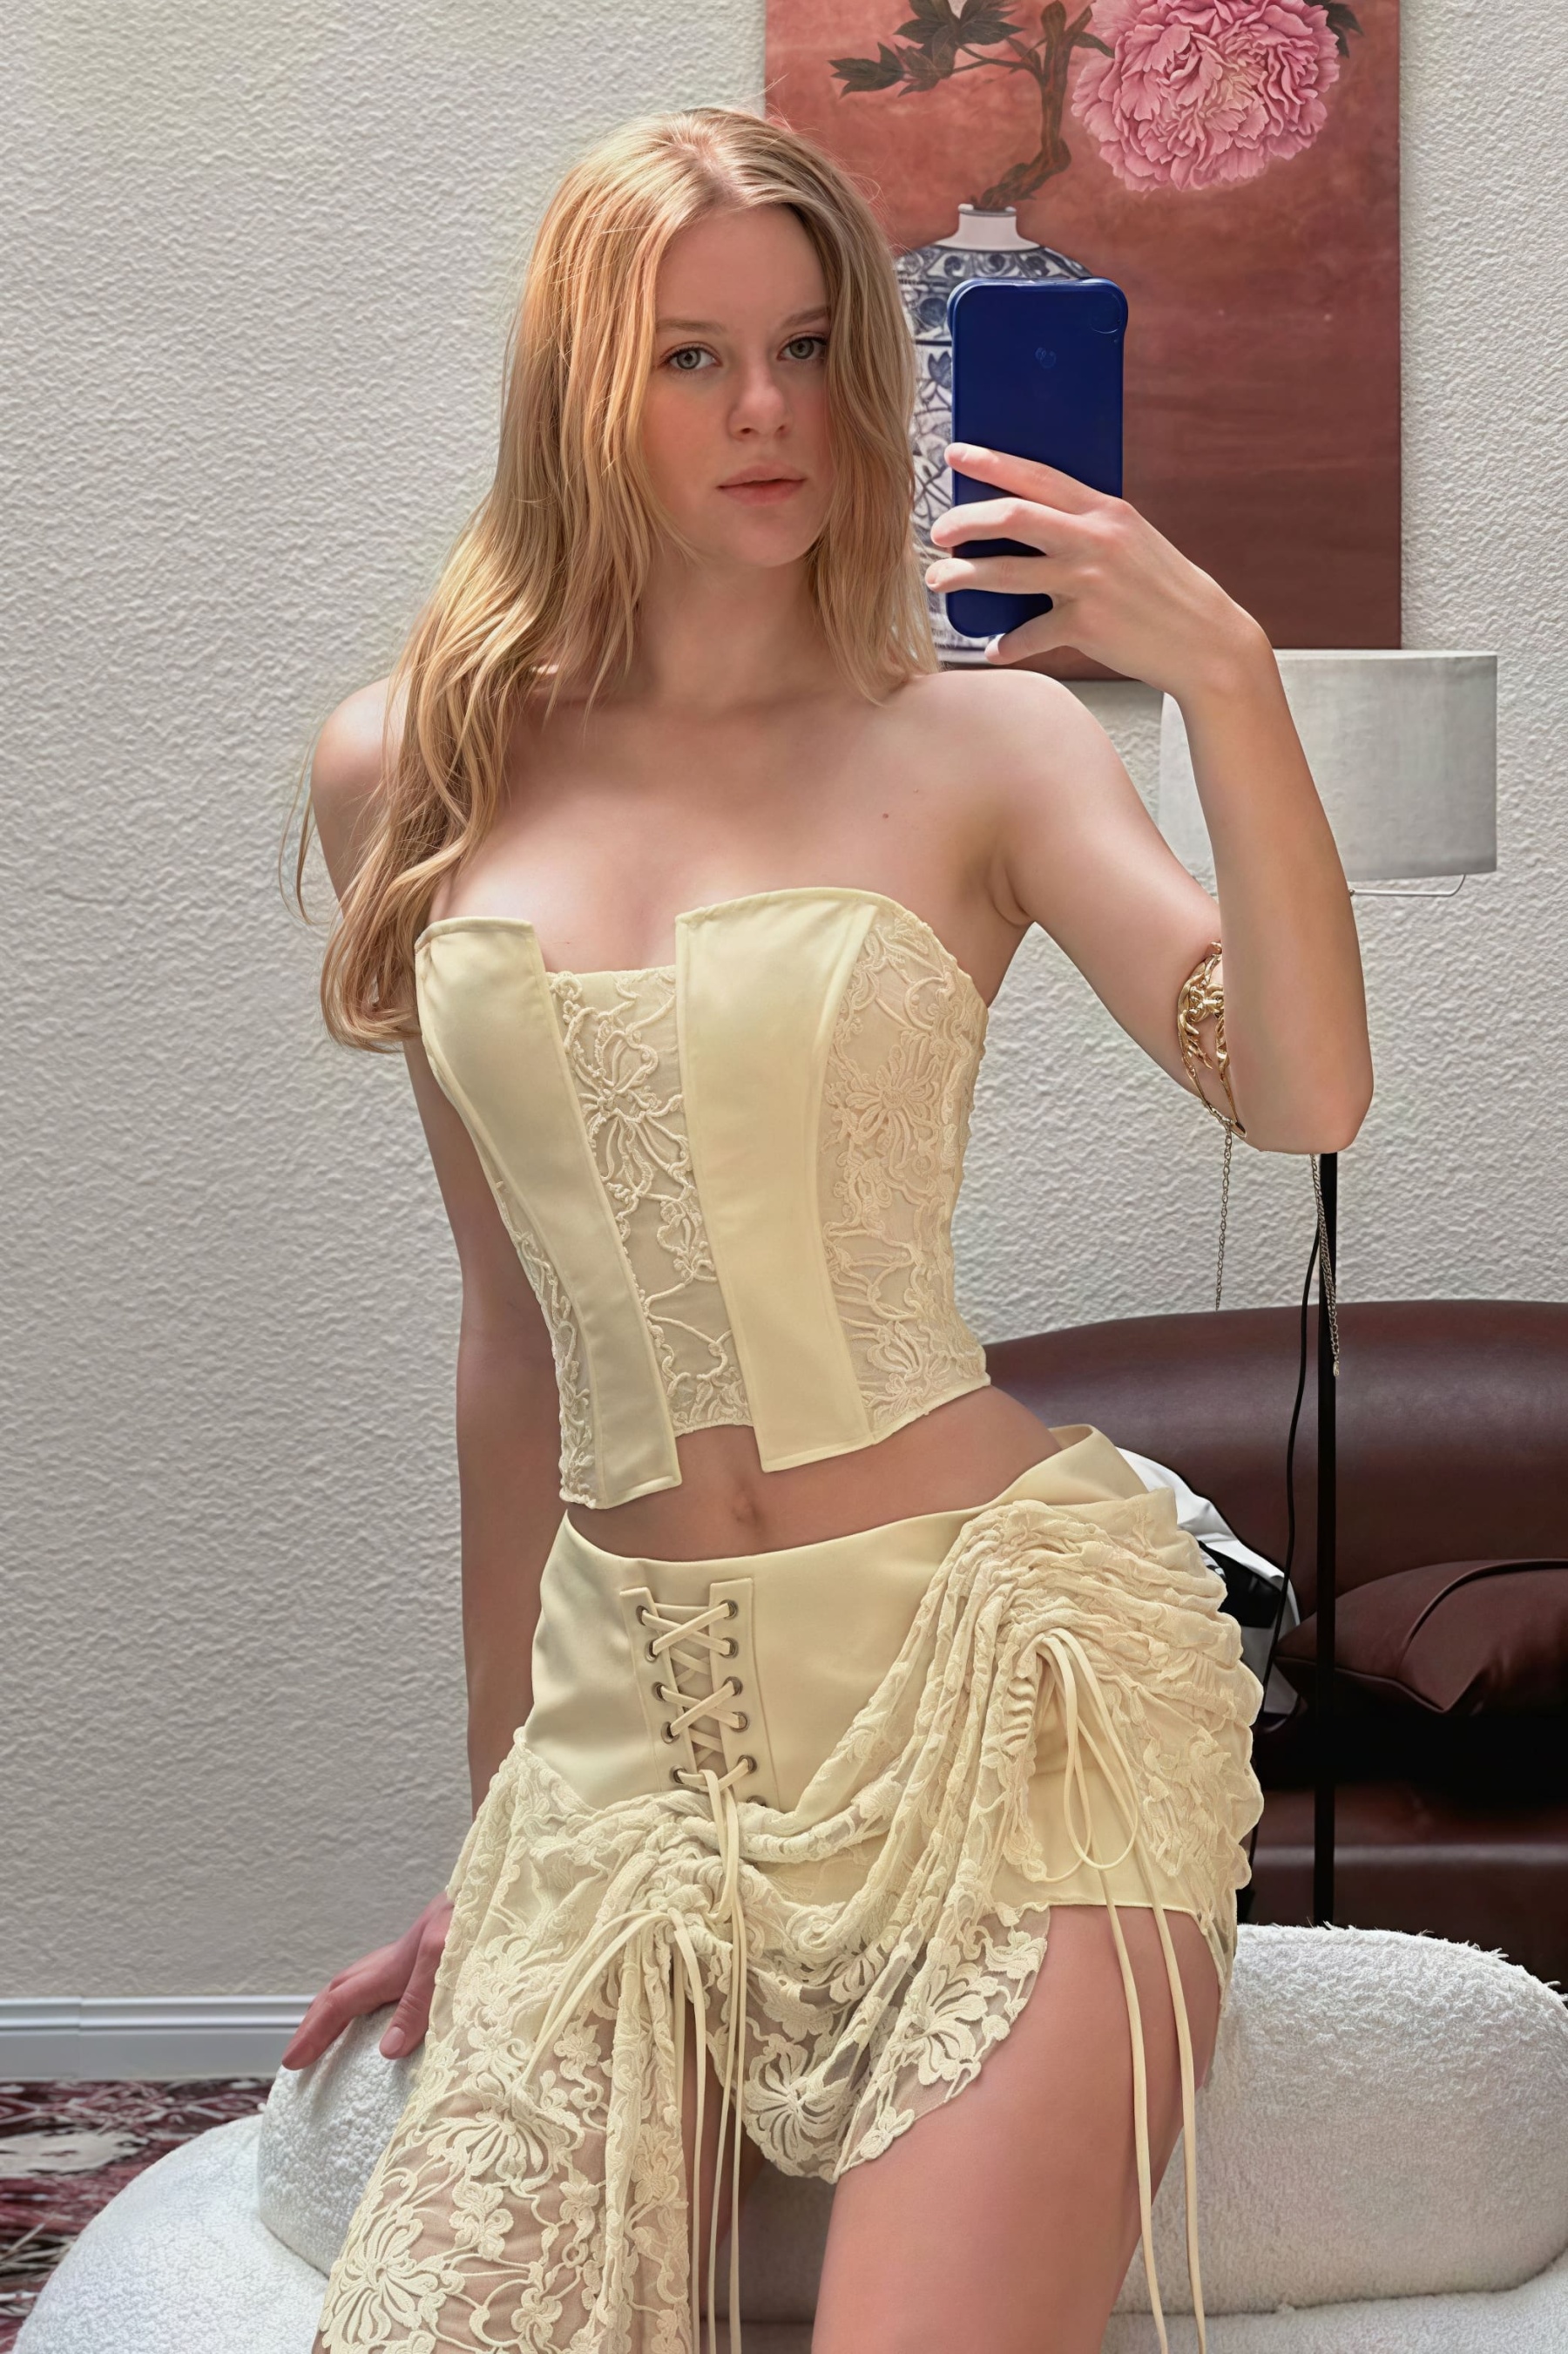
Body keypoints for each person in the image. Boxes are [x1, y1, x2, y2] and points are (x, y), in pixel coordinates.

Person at [284, 105, 1370, 2354]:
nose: (767, 411)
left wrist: (1228, 682)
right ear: (579, 390)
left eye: (806, 348)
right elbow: (513, 1345)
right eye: (692, 358)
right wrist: (505, 1831)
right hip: (629, 1741)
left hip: (1000, 1687)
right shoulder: (409, 767)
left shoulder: (987, 745)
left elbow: (1302, 1096)